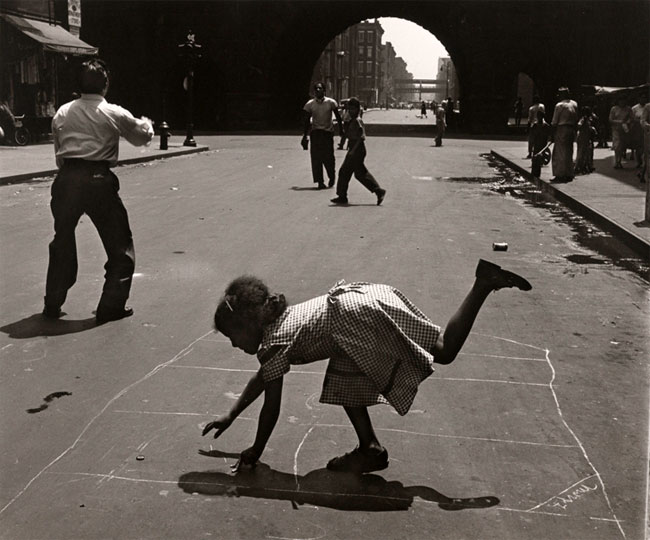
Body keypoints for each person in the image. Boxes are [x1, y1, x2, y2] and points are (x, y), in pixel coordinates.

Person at [202, 260, 532, 474]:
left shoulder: (273, 343)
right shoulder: (280, 325)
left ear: (249, 323)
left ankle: (482, 283)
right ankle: (370, 448)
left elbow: (271, 406)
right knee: (345, 378)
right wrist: (231, 414)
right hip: (365, 297)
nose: (234, 344)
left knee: (443, 351)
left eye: (233, 335)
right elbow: (264, 377)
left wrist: (255, 451)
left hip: (356, 317)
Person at [43, 58, 154, 324]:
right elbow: (141, 137)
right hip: (97, 179)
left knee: (62, 242)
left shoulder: (62, 112)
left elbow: (58, 154)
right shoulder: (113, 112)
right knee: (120, 248)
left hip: (67, 178)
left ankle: (52, 302)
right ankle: (110, 306)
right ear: (105, 85)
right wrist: (147, 124)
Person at [330, 97, 386, 206]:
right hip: (354, 149)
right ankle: (343, 195)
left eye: (353, 109)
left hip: (357, 149)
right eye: (349, 109)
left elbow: (361, 137)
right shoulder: (352, 120)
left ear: (357, 109)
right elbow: (348, 134)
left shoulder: (358, 120)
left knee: (351, 172)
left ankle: (378, 191)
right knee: (355, 173)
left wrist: (353, 151)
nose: (351, 111)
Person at [301, 82, 343, 189]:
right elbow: (306, 121)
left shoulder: (331, 103)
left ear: (324, 91)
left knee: (328, 157)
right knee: (316, 158)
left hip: (327, 133)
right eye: (316, 89)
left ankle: (331, 176)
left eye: (320, 89)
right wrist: (305, 135)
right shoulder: (310, 104)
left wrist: (341, 131)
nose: (318, 91)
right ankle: (320, 181)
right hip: (315, 133)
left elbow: (338, 117)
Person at [550, 87, 578, 182]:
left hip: (561, 129)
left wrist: (552, 135)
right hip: (571, 129)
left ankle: (560, 174)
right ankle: (569, 173)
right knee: (569, 152)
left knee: (559, 153)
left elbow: (554, 121)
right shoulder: (574, 104)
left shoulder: (559, 105)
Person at [608, 96, 633, 169]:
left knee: (622, 146)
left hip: (625, 130)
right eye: (621, 100)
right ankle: (617, 162)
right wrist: (619, 122)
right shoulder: (614, 109)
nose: (622, 102)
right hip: (616, 130)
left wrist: (627, 122)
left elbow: (632, 118)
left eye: (623, 100)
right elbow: (610, 119)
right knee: (617, 146)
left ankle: (619, 161)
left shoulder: (628, 109)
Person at [574, 107, 597, 175]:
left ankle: (588, 166)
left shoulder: (589, 119)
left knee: (589, 152)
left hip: (588, 137)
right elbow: (579, 125)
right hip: (583, 137)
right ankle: (579, 167)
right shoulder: (583, 119)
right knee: (582, 152)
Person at [530, 110, 552, 178]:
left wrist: (547, 146)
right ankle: (534, 177)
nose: (539, 118)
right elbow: (532, 138)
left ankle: (536, 177)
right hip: (536, 147)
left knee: (539, 162)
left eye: (540, 116)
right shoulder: (535, 126)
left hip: (543, 148)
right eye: (538, 116)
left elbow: (550, 138)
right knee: (535, 163)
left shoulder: (546, 126)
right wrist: (531, 148)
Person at [630, 94, 647, 169]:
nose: (643, 99)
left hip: (646, 128)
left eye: (644, 98)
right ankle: (639, 161)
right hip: (637, 128)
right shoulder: (634, 108)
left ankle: (645, 161)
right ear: (639, 99)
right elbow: (632, 118)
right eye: (641, 98)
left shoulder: (648, 107)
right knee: (638, 146)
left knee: (645, 145)